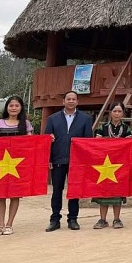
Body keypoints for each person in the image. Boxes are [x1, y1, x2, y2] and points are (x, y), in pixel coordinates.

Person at [44, 90, 94, 232]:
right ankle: (54, 219)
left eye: (74, 99)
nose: (71, 101)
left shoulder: (85, 119)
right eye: (68, 99)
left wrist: (85, 160)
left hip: (76, 161)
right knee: (57, 190)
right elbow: (47, 140)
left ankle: (73, 218)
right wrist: (49, 159)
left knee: (74, 190)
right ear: (63, 101)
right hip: (58, 158)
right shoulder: (53, 119)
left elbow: (87, 141)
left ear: (77, 102)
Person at [0, 95, 34, 236]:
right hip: (1, 165)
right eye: (11, 105)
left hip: (19, 165)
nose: (14, 108)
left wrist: (46, 140)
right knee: (0, 195)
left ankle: (10, 224)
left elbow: (31, 143)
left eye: (16, 105)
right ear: (7, 107)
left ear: (21, 108)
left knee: (15, 195)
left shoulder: (26, 124)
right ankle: (0, 225)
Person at [92, 102, 132, 230]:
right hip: (104, 164)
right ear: (110, 113)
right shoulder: (102, 127)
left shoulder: (126, 129)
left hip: (119, 165)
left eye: (119, 111)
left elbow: (129, 145)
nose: (117, 114)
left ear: (123, 114)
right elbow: (96, 145)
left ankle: (116, 219)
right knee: (103, 190)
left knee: (118, 191)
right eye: (115, 111)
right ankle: (102, 219)